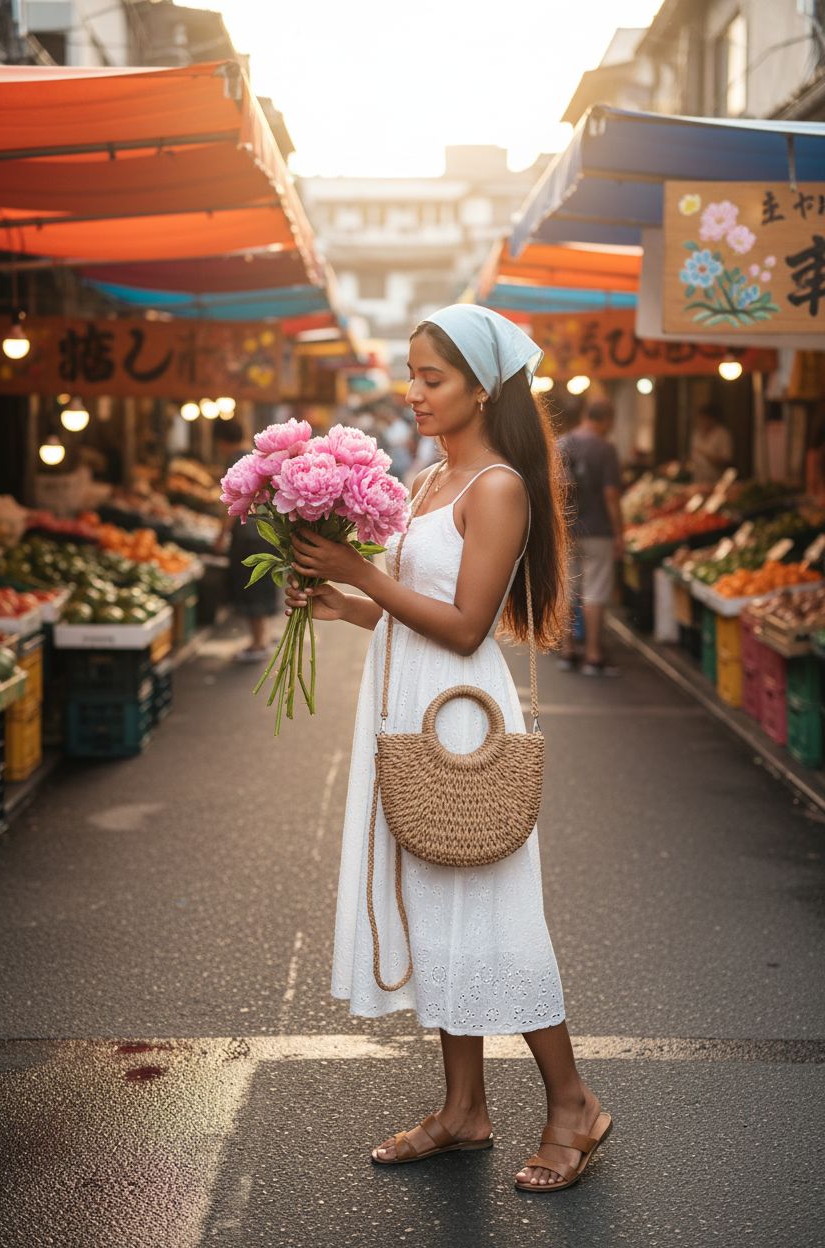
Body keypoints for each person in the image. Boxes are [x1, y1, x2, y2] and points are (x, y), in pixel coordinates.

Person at [283, 304, 613, 1193]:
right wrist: (336, 599)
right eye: (414, 373)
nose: (415, 391)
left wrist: (363, 575)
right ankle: (465, 1109)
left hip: (462, 718)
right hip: (407, 706)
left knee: (498, 920)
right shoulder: (431, 479)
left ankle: (572, 1103)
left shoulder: (497, 485)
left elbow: (466, 628)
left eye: (433, 377)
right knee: (439, 915)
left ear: (483, 386)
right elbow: (408, 607)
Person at [558, 399, 624, 676]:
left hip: (566, 528)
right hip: (597, 530)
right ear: (607, 420)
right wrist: (620, 532)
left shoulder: (561, 444)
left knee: (567, 587)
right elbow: (611, 495)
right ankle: (593, 655)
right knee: (595, 591)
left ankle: (567, 649)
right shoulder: (605, 448)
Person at [214, 419, 280, 662]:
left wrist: (221, 535)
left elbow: (232, 502)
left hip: (248, 535)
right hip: (265, 531)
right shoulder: (253, 458)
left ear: (220, 441)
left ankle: (258, 642)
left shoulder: (235, 462)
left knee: (252, 586)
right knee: (261, 584)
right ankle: (263, 636)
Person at [688, 402, 733, 486]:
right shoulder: (696, 434)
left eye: (705, 418)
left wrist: (705, 454)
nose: (702, 421)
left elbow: (726, 459)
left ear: (712, 419)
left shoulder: (722, 434)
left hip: (716, 481)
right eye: (701, 418)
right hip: (697, 480)